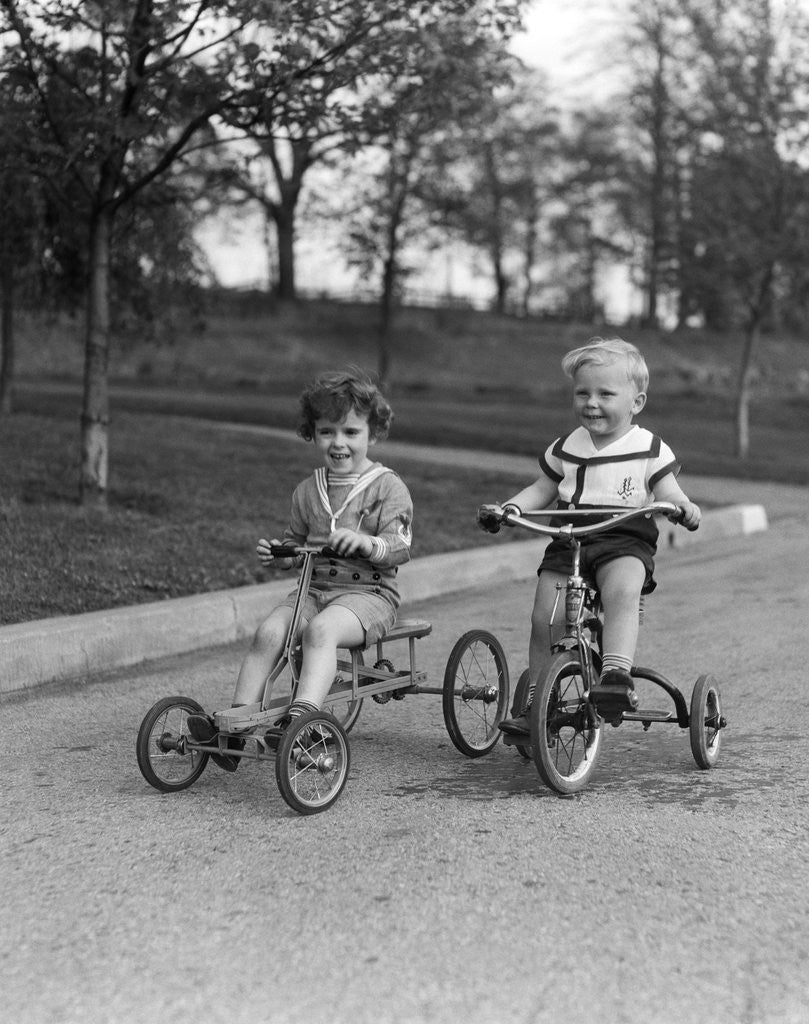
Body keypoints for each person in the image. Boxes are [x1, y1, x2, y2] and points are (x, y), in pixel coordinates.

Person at [188, 368, 413, 770]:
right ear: (312, 434)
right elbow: (296, 544)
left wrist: (366, 543)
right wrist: (280, 552)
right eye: (327, 432)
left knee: (319, 631)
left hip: (370, 595)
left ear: (372, 434)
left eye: (350, 432)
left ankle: (301, 719)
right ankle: (236, 726)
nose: (338, 443)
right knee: (269, 632)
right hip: (314, 590)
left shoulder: (387, 487)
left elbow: (400, 546)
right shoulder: (309, 490)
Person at [479, 337, 701, 731]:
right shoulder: (566, 446)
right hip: (569, 537)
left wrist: (683, 506)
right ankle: (536, 700)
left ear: (637, 402)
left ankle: (615, 675)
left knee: (621, 591)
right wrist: (510, 508)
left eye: (605, 393)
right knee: (544, 617)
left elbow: (668, 491)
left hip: (625, 537)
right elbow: (541, 490)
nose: (591, 402)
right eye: (582, 392)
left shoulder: (649, 447)